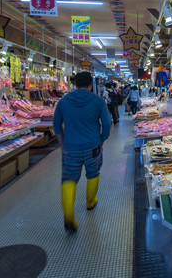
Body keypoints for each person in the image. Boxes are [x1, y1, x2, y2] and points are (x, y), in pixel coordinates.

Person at [53, 72, 111, 231]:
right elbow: (106, 122)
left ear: (75, 84)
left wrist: (61, 144)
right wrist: (102, 139)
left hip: (71, 147)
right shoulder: (98, 101)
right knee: (93, 173)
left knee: (69, 179)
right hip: (93, 145)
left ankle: (69, 216)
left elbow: (56, 124)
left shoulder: (63, 101)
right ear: (91, 84)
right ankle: (90, 202)